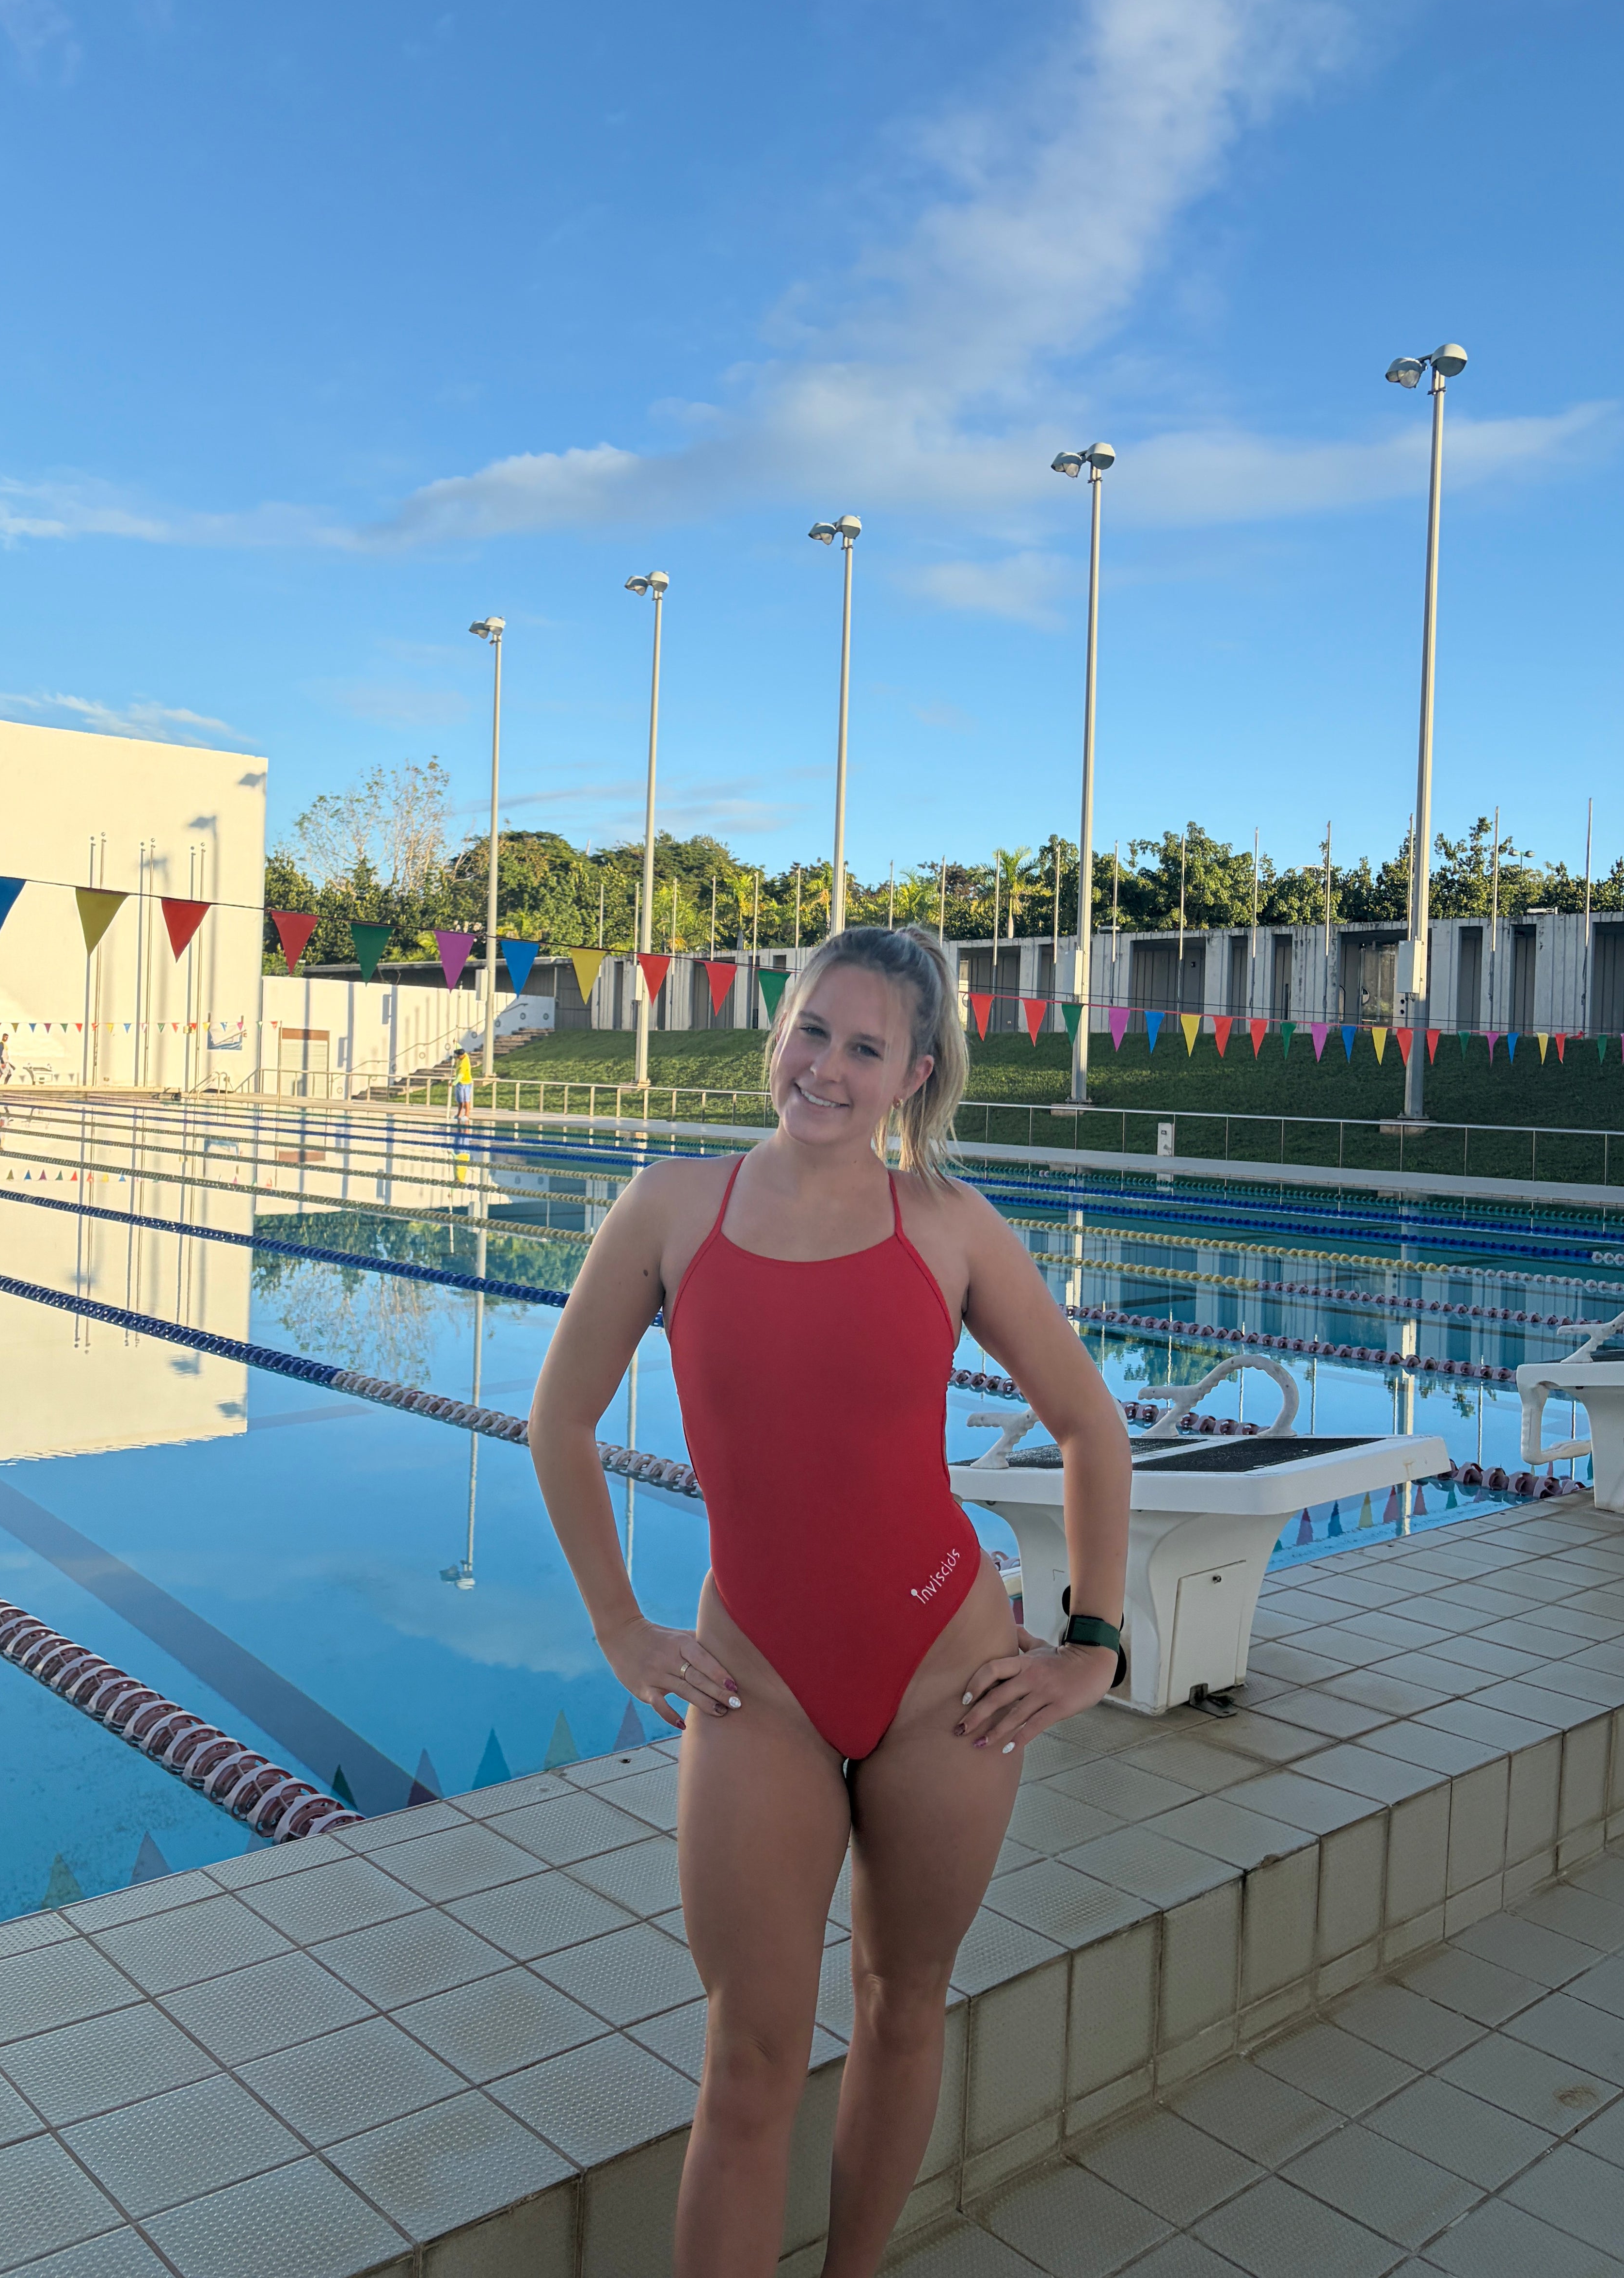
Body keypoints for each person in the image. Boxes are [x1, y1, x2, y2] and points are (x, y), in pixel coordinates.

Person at [529, 925, 1132, 2278]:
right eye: (813, 1030)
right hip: (759, 1689)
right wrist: (621, 1625)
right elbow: (559, 1423)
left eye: (867, 1047)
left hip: (948, 1677)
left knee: (902, 2010)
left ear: (916, 1073)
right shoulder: (672, 1209)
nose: (828, 1067)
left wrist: (1093, 1643)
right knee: (748, 2061)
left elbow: (1092, 1424)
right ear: (777, 1032)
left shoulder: (951, 1230)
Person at [451, 1043, 477, 1129]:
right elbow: (460, 1048)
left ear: (461, 1056)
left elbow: (460, 1076)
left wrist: (453, 1083)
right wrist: (456, 1043)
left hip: (465, 1082)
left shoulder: (464, 1063)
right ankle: (459, 1114)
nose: (457, 1057)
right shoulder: (464, 1055)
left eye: (458, 1056)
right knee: (460, 1100)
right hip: (460, 1083)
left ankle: (467, 1115)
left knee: (466, 1100)